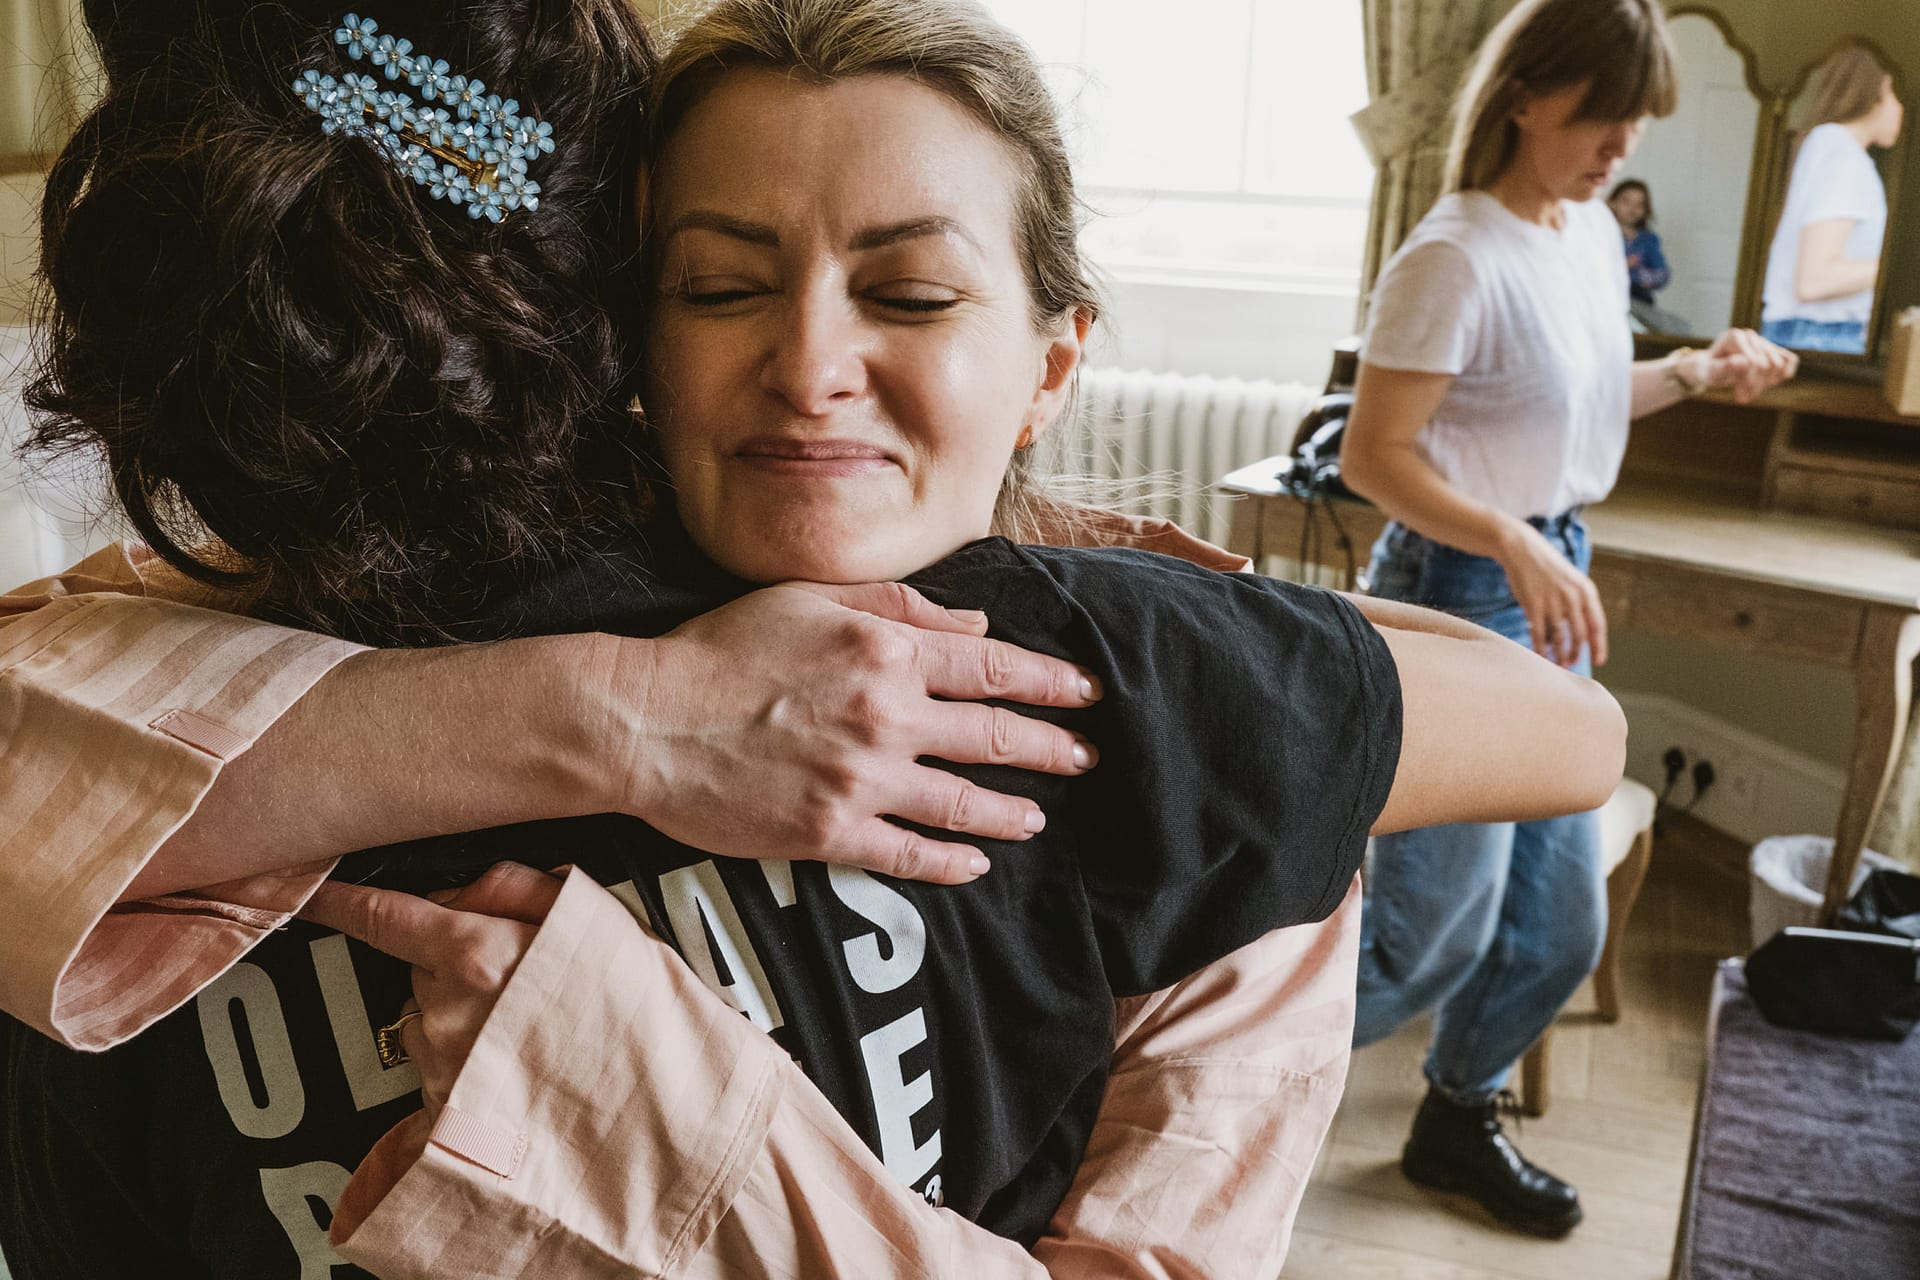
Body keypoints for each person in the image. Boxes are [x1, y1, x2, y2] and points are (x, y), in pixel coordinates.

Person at [1, 2, 1622, 1277]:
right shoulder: (121, 679)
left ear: (1054, 362)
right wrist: (616, 708)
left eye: (909, 296)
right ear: (620, 328)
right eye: (717, 286)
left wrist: (704, 1151)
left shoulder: (1104, 674)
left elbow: (1572, 730)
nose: (809, 365)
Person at [1337, 0, 1796, 1239]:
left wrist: (1694, 372)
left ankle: (1453, 1115)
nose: (1624, 144)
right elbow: (1374, 457)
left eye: (1639, 118)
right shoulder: (1452, 255)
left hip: (1546, 574)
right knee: (1428, 943)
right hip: (1455, 589)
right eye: (1605, 114)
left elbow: (1572, 398)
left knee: (1557, 924)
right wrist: (1510, 536)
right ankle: (1188, 1073)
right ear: (1527, 96)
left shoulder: (1585, 230)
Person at [1761, 43, 1905, 355]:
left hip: (1810, 333)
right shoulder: (1843, 158)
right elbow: (1814, 281)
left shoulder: (1829, 147)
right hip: (1820, 336)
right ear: (1884, 87)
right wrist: (1896, 267)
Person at [1608, 178, 1687, 333]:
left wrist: (1639, 275)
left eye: (1639, 204)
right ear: (1613, 203)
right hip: (1610, 297)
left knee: (1677, 328)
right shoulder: (1603, 234)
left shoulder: (1649, 240)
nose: (1632, 209)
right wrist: (1623, 266)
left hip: (1639, 299)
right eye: (1626, 202)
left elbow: (1662, 274)